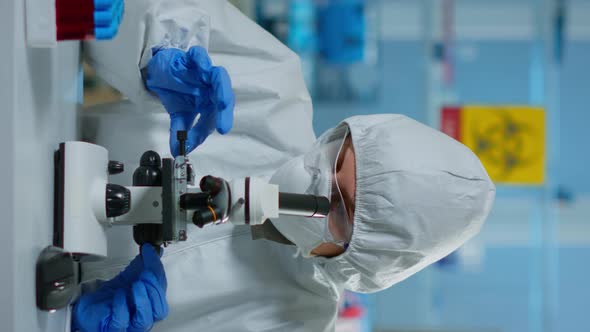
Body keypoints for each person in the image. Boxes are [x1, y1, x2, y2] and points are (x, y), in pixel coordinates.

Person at [75, 0, 496, 331]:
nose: (316, 185)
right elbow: (125, 11)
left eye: (337, 209)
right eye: (337, 159)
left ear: (360, 260)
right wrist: (159, 49)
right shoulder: (272, 85)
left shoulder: (297, 323)